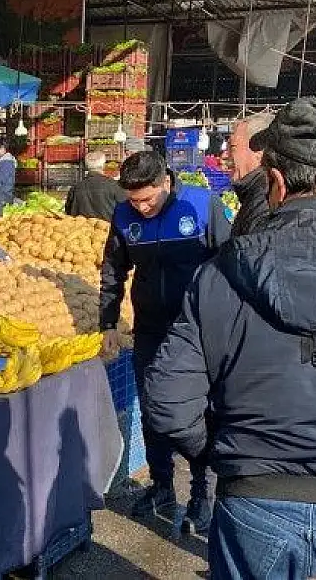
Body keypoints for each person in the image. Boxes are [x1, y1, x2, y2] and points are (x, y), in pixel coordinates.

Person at [142, 98, 316, 579]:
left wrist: (228, 454)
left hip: (254, 502)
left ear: (274, 182)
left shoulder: (222, 272)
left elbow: (167, 399)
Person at [98, 150, 231, 533]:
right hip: (150, 329)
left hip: (198, 332)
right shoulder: (124, 216)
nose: (140, 208)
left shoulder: (202, 205)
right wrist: (107, 323)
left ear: (166, 182)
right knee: (154, 410)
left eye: (148, 199)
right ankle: (161, 485)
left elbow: (230, 262)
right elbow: (113, 271)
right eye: (134, 200)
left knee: (199, 415)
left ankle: (202, 493)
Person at [227, 112, 274, 236]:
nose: (225, 155)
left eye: (232, 147)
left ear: (259, 151)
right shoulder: (255, 194)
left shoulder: (265, 200)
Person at [64, 151, 123, 221]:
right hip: (108, 229)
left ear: (86, 167)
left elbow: (68, 213)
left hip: (83, 229)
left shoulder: (75, 188)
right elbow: (125, 209)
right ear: (103, 166)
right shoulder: (115, 186)